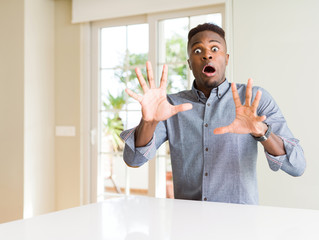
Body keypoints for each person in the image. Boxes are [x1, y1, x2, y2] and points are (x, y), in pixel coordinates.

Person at [120, 23, 305, 204]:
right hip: (189, 224)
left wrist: (262, 132)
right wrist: (149, 122)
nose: (207, 55)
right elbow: (133, 160)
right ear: (190, 64)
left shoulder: (255, 99)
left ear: (226, 58)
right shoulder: (171, 105)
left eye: (215, 48)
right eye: (197, 51)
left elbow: (297, 166)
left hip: (240, 226)